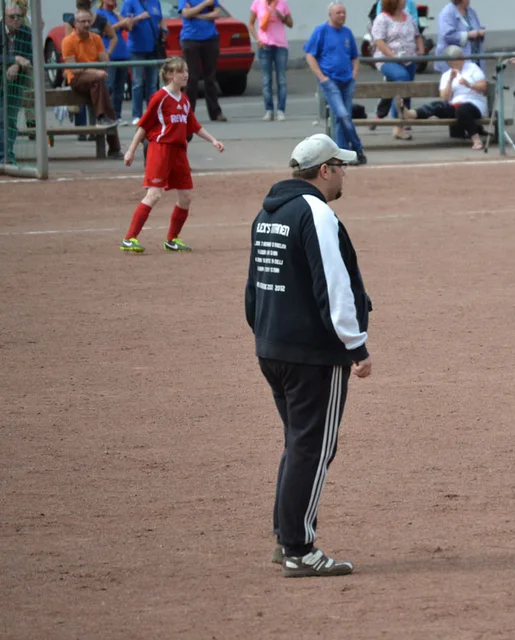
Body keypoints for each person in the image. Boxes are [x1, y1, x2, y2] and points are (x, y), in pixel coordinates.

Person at [246, 133, 372, 579]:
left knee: (299, 443)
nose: (344, 175)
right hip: (312, 355)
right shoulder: (317, 213)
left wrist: (264, 333)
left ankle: (288, 539)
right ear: (325, 170)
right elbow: (333, 285)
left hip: (273, 346)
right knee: (314, 447)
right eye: (342, 167)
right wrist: (355, 345)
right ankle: (299, 547)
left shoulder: (268, 213)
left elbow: (253, 288)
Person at [119, 57, 225, 253]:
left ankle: (172, 239)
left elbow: (194, 125)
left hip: (179, 152)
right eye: (180, 71)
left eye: (186, 70)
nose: (185, 74)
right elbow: (143, 126)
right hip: (161, 150)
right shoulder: (160, 98)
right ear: (169, 75)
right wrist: (131, 151)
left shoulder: (184, 100)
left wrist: (213, 140)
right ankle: (129, 238)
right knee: (154, 194)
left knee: (186, 196)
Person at [304, 2, 367, 165]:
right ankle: (358, 150)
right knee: (343, 115)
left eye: (344, 12)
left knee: (342, 119)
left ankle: (342, 154)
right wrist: (321, 77)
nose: (342, 15)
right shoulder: (321, 31)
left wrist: (354, 74)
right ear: (330, 14)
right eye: (338, 13)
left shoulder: (347, 33)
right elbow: (310, 55)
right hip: (330, 80)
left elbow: (354, 56)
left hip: (347, 80)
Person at [399, 45, 487, 150]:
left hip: (474, 104)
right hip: (455, 104)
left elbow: (483, 87)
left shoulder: (472, 68)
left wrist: (469, 85)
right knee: (436, 106)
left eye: (458, 59)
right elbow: (445, 98)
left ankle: (476, 140)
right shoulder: (446, 75)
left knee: (462, 110)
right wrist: (450, 81)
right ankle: (410, 114)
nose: (454, 63)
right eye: (451, 61)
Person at [62, 10, 124, 157]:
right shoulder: (68, 41)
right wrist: (95, 71)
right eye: (83, 21)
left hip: (95, 82)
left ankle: (113, 144)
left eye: (89, 21)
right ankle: (112, 142)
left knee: (105, 98)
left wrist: (104, 61)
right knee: (99, 82)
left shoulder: (96, 38)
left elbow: (105, 61)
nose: (87, 24)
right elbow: (73, 69)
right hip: (77, 80)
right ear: (75, 24)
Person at [371, 0, 424, 141]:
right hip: (387, 59)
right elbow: (379, 41)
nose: (404, 2)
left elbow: (417, 34)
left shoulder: (407, 16)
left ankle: (404, 121)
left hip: (409, 58)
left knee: (407, 90)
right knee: (402, 78)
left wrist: (421, 48)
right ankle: (396, 124)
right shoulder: (382, 18)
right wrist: (392, 55)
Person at [179, 0, 226, 122]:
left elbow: (216, 14)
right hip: (190, 40)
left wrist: (197, 14)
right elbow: (186, 14)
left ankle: (215, 112)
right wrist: (205, 5)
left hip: (210, 39)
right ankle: (188, 115)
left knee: (210, 78)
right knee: (191, 79)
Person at [120, 0, 165, 126]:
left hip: (153, 48)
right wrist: (138, 17)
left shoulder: (155, 2)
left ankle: (152, 114)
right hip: (137, 49)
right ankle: (137, 115)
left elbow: (160, 20)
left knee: (152, 84)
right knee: (138, 83)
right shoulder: (130, 2)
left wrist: (164, 29)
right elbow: (126, 25)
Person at [248, 0, 292, 121]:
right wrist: (257, 39)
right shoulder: (257, 3)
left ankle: (281, 110)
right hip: (264, 45)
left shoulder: (282, 3)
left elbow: (290, 23)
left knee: (281, 79)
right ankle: (269, 110)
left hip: (280, 45)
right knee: (266, 79)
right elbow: (251, 23)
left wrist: (281, 16)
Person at [1, 2, 32, 166]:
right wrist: (13, 59)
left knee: (11, 121)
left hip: (16, 84)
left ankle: (7, 155)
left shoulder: (26, 32)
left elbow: (31, 56)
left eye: (19, 17)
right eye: (11, 17)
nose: (15, 20)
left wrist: (17, 64)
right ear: (4, 18)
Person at [97, 0, 133, 124]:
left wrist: (118, 14)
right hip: (109, 54)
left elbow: (129, 26)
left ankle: (117, 115)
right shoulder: (99, 14)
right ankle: (106, 115)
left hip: (122, 54)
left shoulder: (115, 15)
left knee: (119, 88)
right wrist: (120, 24)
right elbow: (104, 31)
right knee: (109, 86)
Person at [435, 0, 484, 73]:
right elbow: (447, 35)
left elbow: (477, 28)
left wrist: (480, 33)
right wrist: (469, 35)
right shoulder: (447, 12)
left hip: (474, 58)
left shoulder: (471, 11)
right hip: (455, 61)